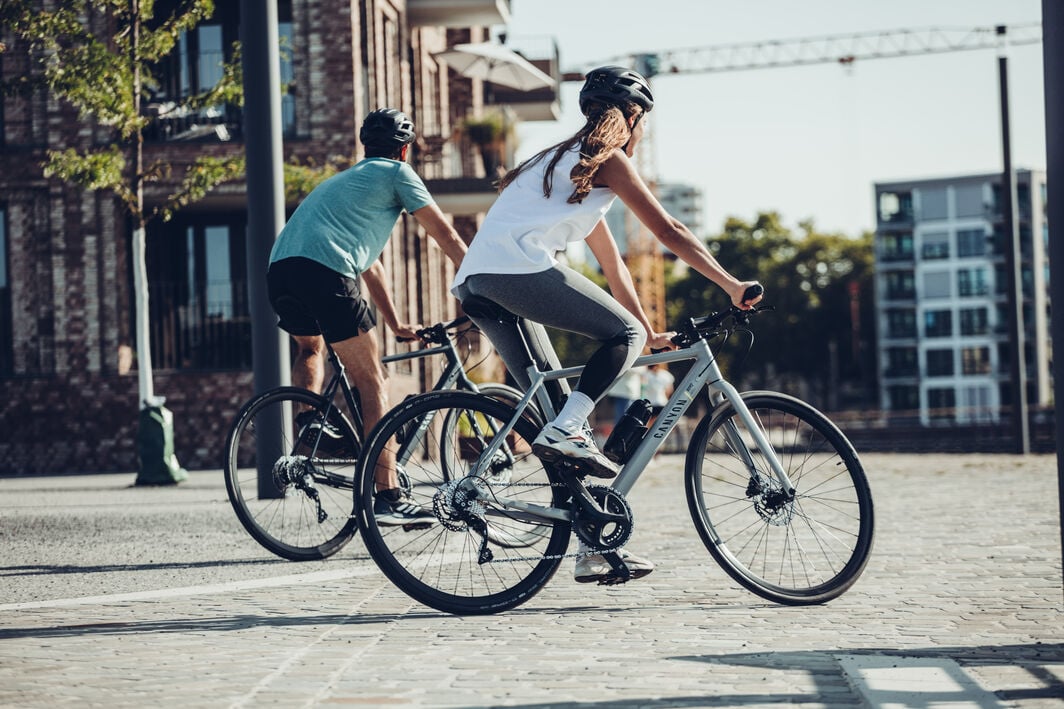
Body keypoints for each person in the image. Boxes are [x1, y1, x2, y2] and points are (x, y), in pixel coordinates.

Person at [451, 66, 762, 583]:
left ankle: (592, 549)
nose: (642, 135)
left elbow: (615, 268)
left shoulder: (566, 167)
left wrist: (645, 330)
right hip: (514, 272)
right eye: (643, 123)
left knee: (559, 400)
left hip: (477, 284)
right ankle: (571, 427)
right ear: (633, 118)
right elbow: (669, 228)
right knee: (587, 389)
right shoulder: (609, 161)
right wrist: (731, 284)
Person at [267, 108, 467, 525]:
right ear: (405, 149)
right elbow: (443, 232)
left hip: (281, 271)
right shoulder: (397, 174)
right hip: (325, 272)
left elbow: (370, 266)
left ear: (365, 147)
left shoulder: (344, 184)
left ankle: (308, 428)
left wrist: (394, 324)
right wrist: (479, 277)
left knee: (310, 348)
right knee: (373, 381)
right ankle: (388, 494)